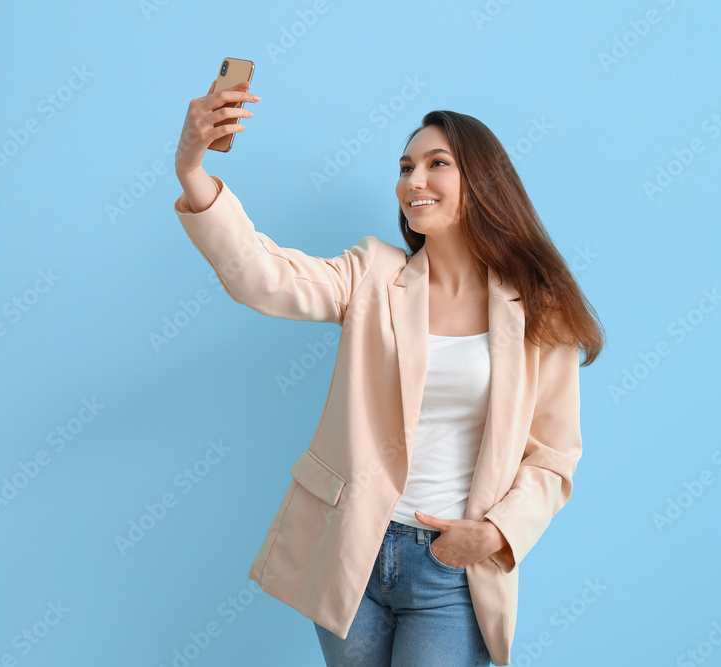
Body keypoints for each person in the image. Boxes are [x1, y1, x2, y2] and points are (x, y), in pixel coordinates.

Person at [172, 78, 604, 667]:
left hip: (449, 571)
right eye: (405, 167)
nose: (413, 181)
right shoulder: (373, 273)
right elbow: (262, 276)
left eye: (436, 163)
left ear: (481, 182)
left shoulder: (537, 309)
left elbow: (554, 455)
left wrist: (497, 533)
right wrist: (192, 168)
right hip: (354, 550)